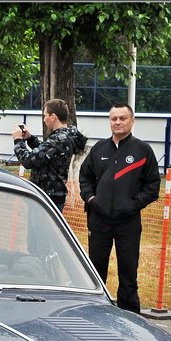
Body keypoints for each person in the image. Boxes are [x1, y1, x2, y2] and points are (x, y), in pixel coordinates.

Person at [78, 103, 160, 314]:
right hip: (99, 221)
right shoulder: (99, 149)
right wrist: (91, 199)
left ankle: (130, 313)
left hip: (128, 222)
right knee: (95, 268)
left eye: (123, 118)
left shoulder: (143, 151)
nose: (118, 122)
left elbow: (153, 186)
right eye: (114, 118)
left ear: (132, 121)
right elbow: (84, 177)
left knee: (128, 270)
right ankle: (96, 309)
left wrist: (132, 205)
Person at [10, 98, 87, 212]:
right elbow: (46, 154)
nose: (44, 119)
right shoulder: (63, 137)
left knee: (37, 230)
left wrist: (18, 140)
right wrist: (30, 138)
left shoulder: (58, 140)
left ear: (53, 117)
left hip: (47, 198)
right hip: (51, 196)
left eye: (45, 115)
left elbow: (28, 161)